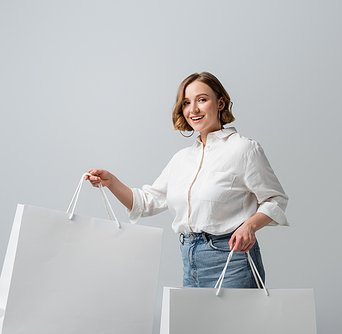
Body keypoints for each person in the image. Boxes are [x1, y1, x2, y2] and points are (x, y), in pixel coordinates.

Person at [85, 72, 288, 288]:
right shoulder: (181, 159)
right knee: (194, 323)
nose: (193, 109)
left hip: (232, 259)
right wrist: (111, 182)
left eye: (202, 99)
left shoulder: (243, 149)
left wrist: (250, 226)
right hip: (190, 261)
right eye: (186, 102)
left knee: (236, 323)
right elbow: (145, 203)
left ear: (220, 103)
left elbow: (275, 199)